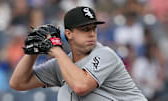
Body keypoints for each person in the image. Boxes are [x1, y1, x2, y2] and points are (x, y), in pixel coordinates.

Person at [10, 6, 148, 101]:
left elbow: (81, 86)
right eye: (85, 29)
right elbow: (18, 83)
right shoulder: (62, 64)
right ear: (69, 34)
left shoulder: (106, 54)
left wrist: (56, 51)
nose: (91, 34)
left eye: (94, 28)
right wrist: (33, 51)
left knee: (69, 91)